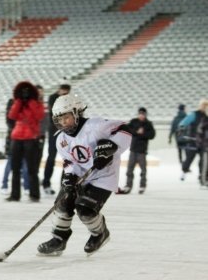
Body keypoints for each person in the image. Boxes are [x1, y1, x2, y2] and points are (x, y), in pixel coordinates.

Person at [36, 93, 131, 256]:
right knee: (62, 203)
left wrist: (110, 146)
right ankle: (58, 239)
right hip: (81, 176)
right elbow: (68, 161)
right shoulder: (61, 140)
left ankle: (100, 233)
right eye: (59, 119)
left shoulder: (96, 125)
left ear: (77, 113)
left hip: (104, 177)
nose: (63, 122)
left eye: (66, 117)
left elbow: (124, 129)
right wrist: (69, 176)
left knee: (85, 209)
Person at [6, 80, 44, 202]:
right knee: (15, 168)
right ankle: (15, 195)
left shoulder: (37, 103)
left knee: (32, 169)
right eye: (23, 92)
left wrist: (31, 101)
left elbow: (39, 116)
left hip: (30, 138)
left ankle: (34, 194)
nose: (25, 94)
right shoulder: (17, 103)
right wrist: (19, 101)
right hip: (17, 137)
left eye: (27, 92)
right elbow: (11, 116)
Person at [41, 83, 71, 194]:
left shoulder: (69, 99)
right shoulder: (52, 98)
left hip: (66, 133)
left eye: (67, 92)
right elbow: (55, 114)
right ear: (60, 90)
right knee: (51, 158)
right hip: (54, 132)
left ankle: (64, 184)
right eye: (64, 91)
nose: (65, 94)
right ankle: (46, 183)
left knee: (68, 159)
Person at [120, 107, 156, 194]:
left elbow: (152, 135)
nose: (141, 116)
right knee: (129, 170)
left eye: (143, 114)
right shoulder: (134, 121)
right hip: (133, 149)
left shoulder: (148, 124)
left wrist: (142, 133)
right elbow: (127, 129)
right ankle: (128, 186)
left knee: (143, 170)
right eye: (140, 114)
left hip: (142, 151)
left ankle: (142, 186)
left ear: (145, 115)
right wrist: (136, 132)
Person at [177, 99, 208, 182]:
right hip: (192, 140)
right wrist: (181, 129)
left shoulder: (206, 116)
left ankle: (202, 176)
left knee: (204, 160)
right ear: (200, 105)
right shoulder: (194, 114)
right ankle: (184, 171)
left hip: (203, 142)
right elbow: (183, 123)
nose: (204, 107)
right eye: (203, 105)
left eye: (206, 106)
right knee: (189, 158)